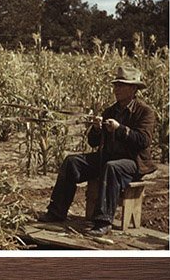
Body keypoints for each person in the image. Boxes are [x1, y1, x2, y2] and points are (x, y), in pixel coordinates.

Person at [44, 65, 156, 234]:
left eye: (121, 85)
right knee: (72, 162)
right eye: (115, 85)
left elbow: (143, 141)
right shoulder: (110, 111)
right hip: (108, 157)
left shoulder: (145, 112)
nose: (116, 89)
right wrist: (96, 129)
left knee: (112, 167)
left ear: (133, 89)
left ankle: (103, 222)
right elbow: (93, 142)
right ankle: (56, 212)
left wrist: (119, 129)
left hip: (133, 162)